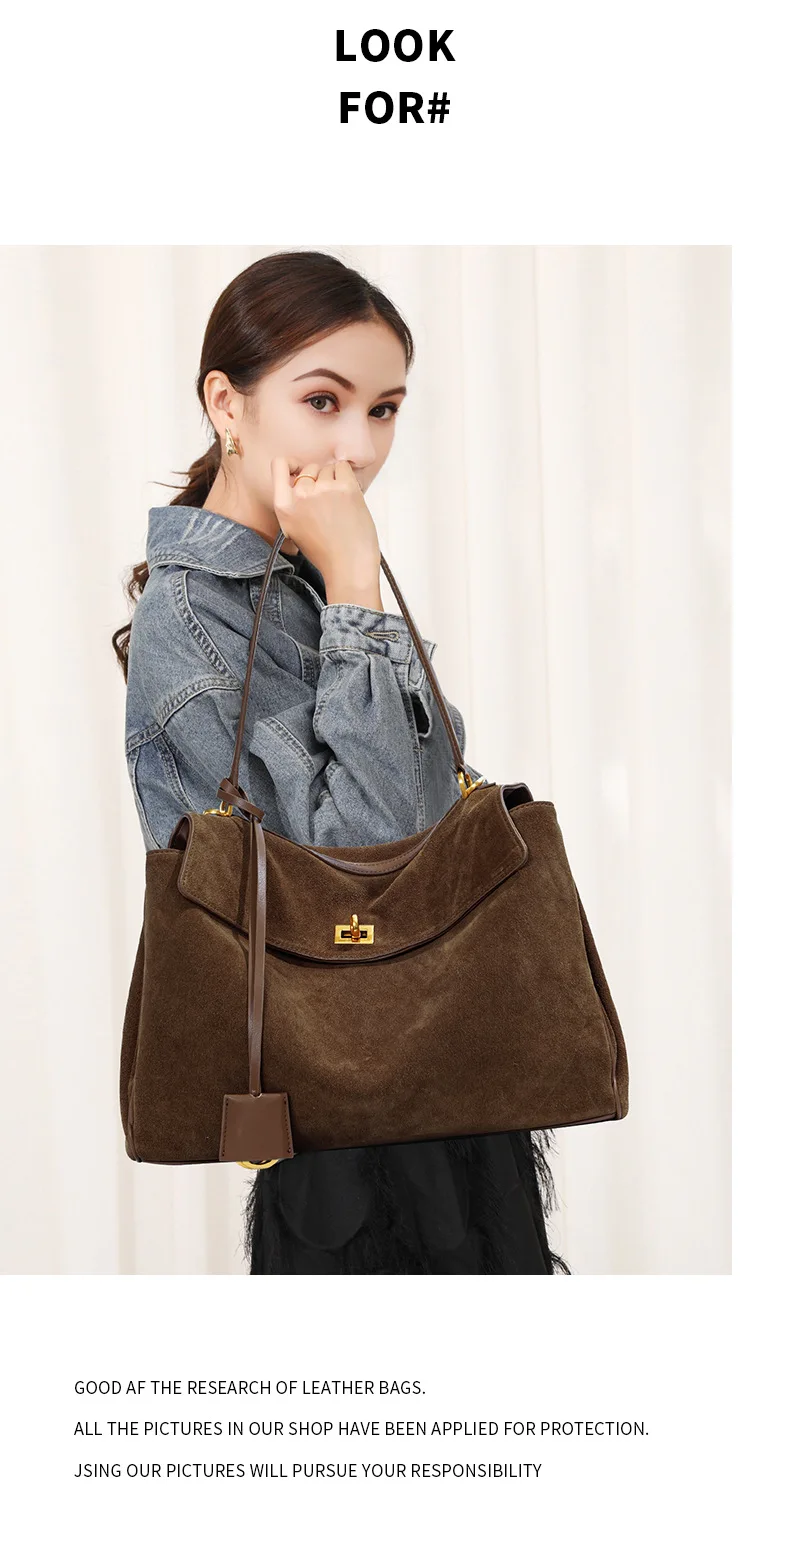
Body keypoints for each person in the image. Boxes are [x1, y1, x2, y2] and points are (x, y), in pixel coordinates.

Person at [113, 248, 571, 1275]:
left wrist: (345, 581)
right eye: (323, 400)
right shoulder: (196, 617)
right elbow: (370, 865)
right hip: (344, 1140)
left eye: (384, 409)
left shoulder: (308, 576)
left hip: (446, 1085)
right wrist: (357, 578)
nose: (358, 446)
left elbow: (422, 802)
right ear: (226, 404)